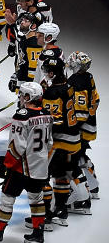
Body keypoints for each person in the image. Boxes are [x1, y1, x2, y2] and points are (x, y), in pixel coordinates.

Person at [0, 82, 52, 243]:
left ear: (29, 97)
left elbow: (17, 146)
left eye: (23, 94)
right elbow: (49, 143)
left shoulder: (22, 115)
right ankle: (38, 235)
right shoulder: (47, 114)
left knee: (7, 199)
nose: (20, 97)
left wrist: (5, 163)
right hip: (40, 166)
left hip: (21, 168)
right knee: (37, 199)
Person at [40, 54, 80, 227]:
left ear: (53, 73)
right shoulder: (69, 85)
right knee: (60, 174)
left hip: (59, 140)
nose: (46, 73)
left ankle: (46, 214)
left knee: (43, 176)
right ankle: (62, 210)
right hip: (73, 138)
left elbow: (53, 120)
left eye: (48, 71)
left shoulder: (53, 91)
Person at [67, 51, 98, 214]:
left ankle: (82, 195)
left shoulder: (74, 81)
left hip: (80, 128)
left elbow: (79, 110)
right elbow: (96, 100)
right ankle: (93, 186)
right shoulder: (90, 77)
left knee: (72, 160)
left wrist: (71, 129)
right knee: (81, 156)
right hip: (90, 126)